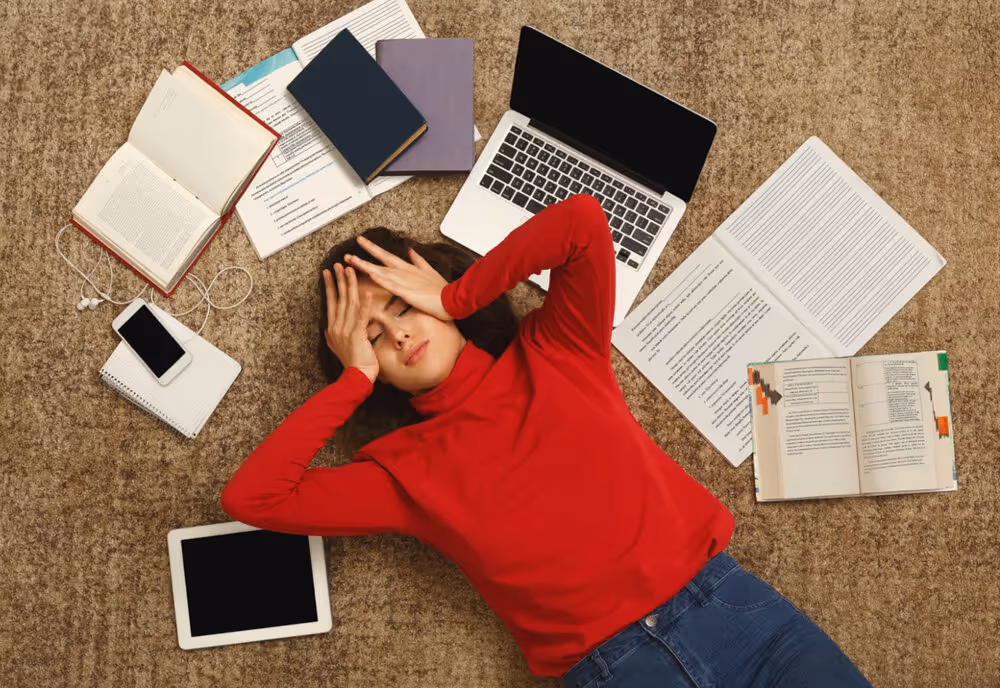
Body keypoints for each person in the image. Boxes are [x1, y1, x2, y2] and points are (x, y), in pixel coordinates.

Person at [221, 195, 872, 687]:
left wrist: (456, 292)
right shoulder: (397, 474)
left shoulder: (555, 347)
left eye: (402, 306)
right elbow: (256, 498)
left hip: (737, 614)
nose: (395, 336)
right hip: (618, 669)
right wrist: (350, 381)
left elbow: (583, 222)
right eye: (369, 337)